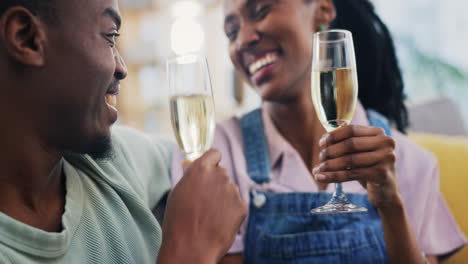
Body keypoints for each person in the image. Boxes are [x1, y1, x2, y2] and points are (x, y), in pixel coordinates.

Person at [171, 0, 467, 263]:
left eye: (261, 11)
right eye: (231, 32)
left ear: (322, 9)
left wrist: (391, 205)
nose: (244, 39)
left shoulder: (411, 161)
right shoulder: (215, 155)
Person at [0, 0, 247, 263]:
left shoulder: (113, 161)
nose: (122, 68)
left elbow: (206, 156)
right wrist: (189, 252)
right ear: (26, 37)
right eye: (110, 36)